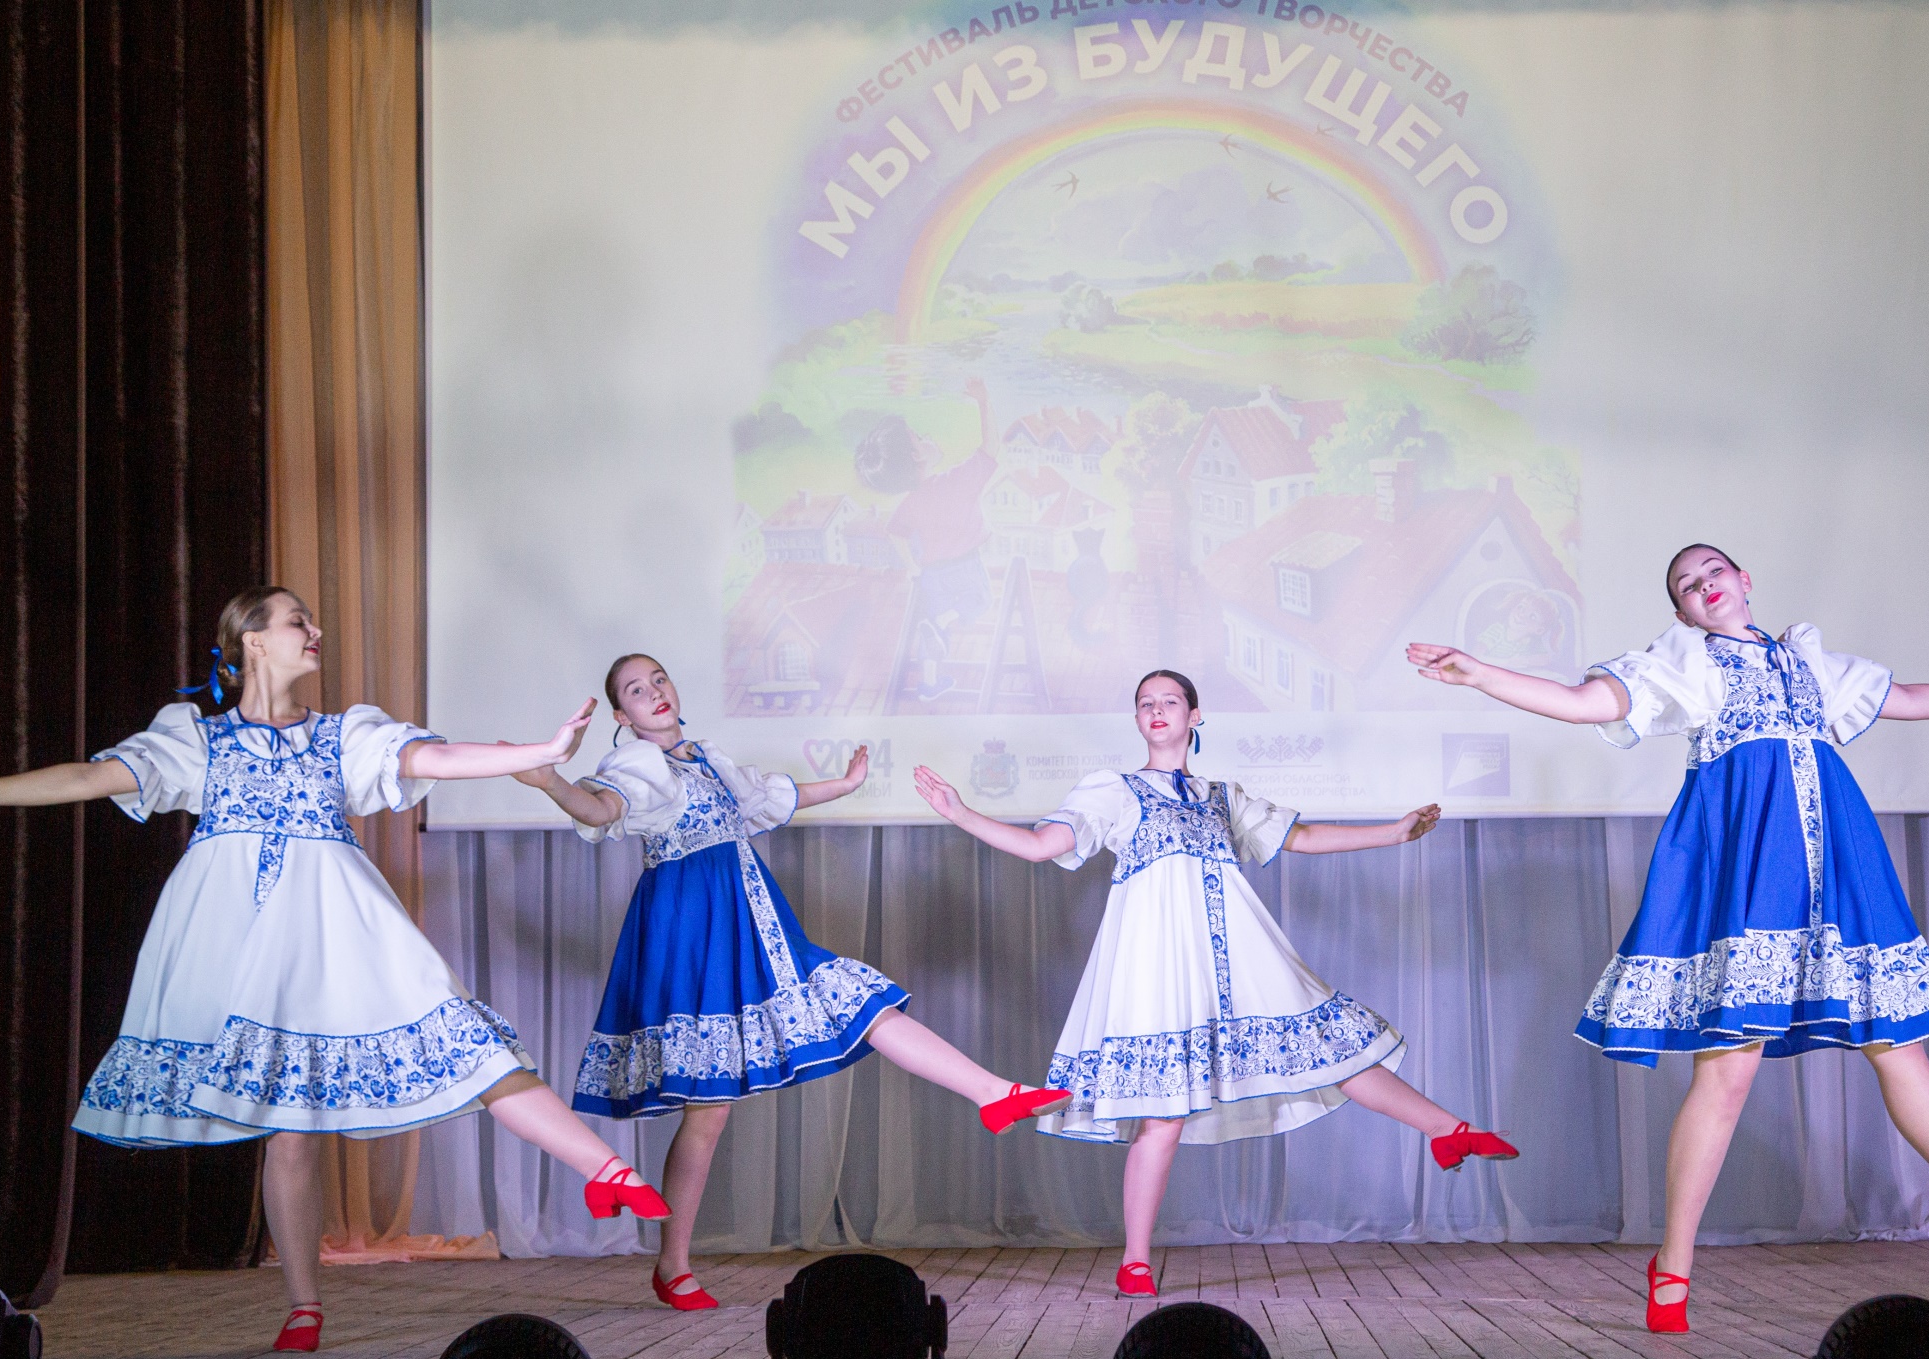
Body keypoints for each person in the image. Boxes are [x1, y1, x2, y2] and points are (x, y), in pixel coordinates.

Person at [0, 587, 667, 1355]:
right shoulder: (199, 740)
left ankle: (603, 1167)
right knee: (290, 1126)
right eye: (298, 620)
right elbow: (86, 778)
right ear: (252, 640)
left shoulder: (344, 735)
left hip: (339, 926)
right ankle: (304, 1305)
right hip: (239, 938)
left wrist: (538, 753)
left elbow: (430, 758)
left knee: (466, 1042)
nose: (316, 629)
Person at [1408, 543, 1929, 1333]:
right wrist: (1482, 675)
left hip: (1837, 864)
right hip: (1755, 870)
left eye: (1712, 571)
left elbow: (1907, 696)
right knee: (1728, 1072)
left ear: (1744, 580)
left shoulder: (1808, 661)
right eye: (1687, 585)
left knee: (1897, 1044)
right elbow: (1586, 702)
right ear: (1682, 612)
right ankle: (1673, 1264)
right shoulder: (1686, 663)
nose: (1704, 585)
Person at [912, 669, 1518, 1297]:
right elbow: (1043, 846)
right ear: (1137, 719)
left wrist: (1394, 832)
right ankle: (1135, 1260)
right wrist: (962, 813)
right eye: (1145, 703)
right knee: (1163, 1112)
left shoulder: (1223, 796)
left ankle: (1447, 1130)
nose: (1156, 710)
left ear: (1194, 715)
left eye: (1169, 701)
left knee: (1324, 1048)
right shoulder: (1114, 790)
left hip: (1239, 953)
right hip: (1159, 964)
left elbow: (1302, 837)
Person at [512, 652, 1067, 1310]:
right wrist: (549, 780)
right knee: (709, 1111)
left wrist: (846, 783)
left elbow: (771, 797)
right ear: (621, 713)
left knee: (860, 1002)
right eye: (636, 689)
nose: (654, 692)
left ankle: (994, 1092)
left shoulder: (708, 759)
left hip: (753, 920)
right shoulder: (637, 763)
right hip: (692, 929)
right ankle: (674, 1266)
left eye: (659, 679)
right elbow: (599, 808)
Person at [859, 378, 997, 700]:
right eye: (921, 438)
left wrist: (913, 566)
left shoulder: (911, 502)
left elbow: (894, 532)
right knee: (980, 600)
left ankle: (930, 681)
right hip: (964, 565)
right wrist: (983, 401)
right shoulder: (955, 481)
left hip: (931, 573)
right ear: (917, 455)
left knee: (930, 627)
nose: (929, 437)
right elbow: (991, 447)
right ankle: (946, 621)